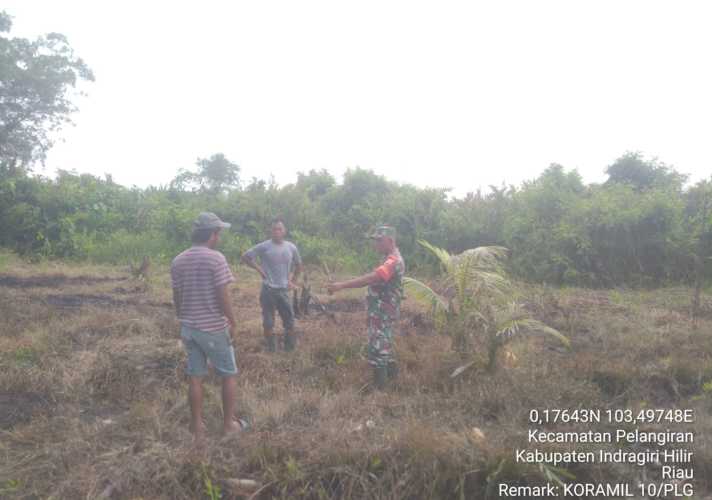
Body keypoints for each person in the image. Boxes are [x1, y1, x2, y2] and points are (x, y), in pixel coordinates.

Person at [171, 212, 241, 446]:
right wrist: (233, 321)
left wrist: (183, 317)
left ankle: (196, 427)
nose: (219, 237)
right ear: (213, 234)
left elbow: (177, 296)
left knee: (195, 377)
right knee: (229, 374)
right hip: (212, 328)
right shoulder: (216, 259)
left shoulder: (178, 260)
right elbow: (223, 295)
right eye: (218, 232)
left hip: (189, 328)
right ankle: (229, 425)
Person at [327, 225, 404, 390]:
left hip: (383, 312)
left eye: (379, 240)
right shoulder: (388, 258)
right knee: (384, 344)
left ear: (390, 241)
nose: (375, 244)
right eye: (375, 240)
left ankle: (380, 389)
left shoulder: (393, 261)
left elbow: (373, 277)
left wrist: (342, 285)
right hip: (381, 311)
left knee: (379, 347)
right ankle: (391, 382)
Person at [241, 218, 303, 352]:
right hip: (268, 290)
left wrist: (293, 281)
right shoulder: (264, 246)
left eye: (279, 229)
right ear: (271, 231)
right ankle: (271, 350)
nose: (277, 232)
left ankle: (289, 350)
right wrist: (259, 270)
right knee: (268, 323)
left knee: (290, 321)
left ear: (284, 231)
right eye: (274, 229)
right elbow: (245, 256)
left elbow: (299, 265)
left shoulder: (291, 247)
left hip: (284, 290)